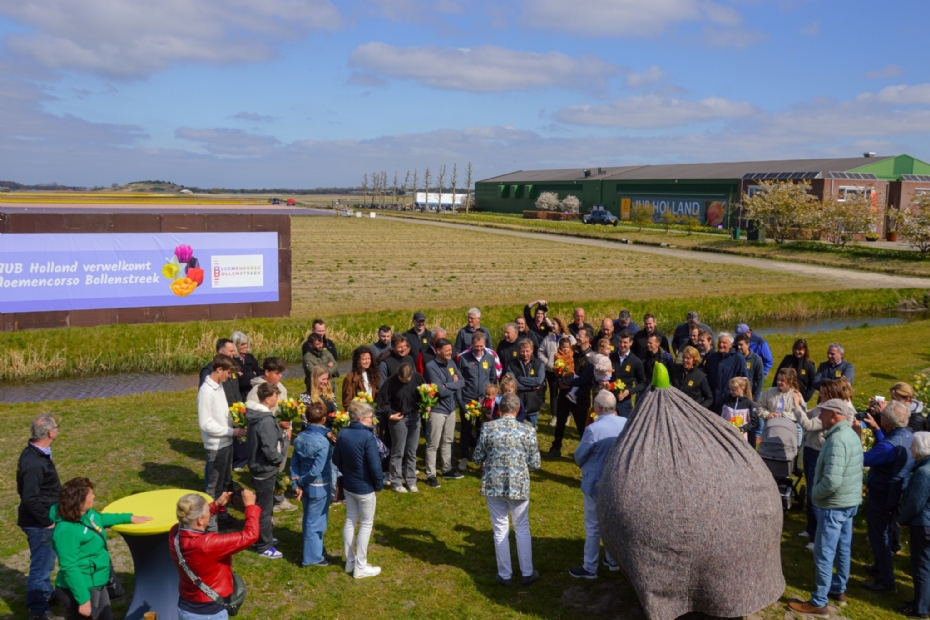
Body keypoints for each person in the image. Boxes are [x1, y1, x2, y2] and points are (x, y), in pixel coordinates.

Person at [787, 399, 863, 617]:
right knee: (843, 548)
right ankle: (839, 589)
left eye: (824, 413)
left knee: (824, 552)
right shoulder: (851, 434)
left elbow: (831, 481)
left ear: (835, 415)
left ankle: (819, 601)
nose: (819, 417)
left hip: (834, 504)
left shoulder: (837, 440)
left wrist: (815, 495)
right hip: (849, 502)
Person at [51, 478, 152, 620]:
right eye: (90, 494)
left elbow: (100, 519)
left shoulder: (85, 514)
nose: (93, 496)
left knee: (105, 616)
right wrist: (84, 600)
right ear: (79, 501)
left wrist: (129, 518)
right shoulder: (66, 532)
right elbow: (69, 567)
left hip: (97, 581)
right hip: (83, 588)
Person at [471, 393, 542, 587]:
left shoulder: (488, 428)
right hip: (518, 485)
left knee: (500, 529)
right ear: (518, 410)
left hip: (494, 485)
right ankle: (527, 572)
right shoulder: (527, 430)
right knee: (522, 528)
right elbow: (535, 463)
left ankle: (505, 575)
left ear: (500, 410)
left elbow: (477, 458)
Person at [169, 489, 259, 620]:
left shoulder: (174, 534)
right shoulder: (207, 545)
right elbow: (250, 535)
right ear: (200, 519)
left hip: (185, 608)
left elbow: (193, 518)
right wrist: (250, 506)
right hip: (209, 614)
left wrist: (216, 505)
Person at [570, 390, 626, 578]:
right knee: (612, 522)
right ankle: (612, 560)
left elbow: (579, 456)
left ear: (599, 407)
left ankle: (590, 567)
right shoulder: (625, 423)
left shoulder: (593, 429)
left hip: (595, 482)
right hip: (617, 482)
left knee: (593, 526)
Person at [859, 400, 914, 592]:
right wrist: (876, 430)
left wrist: (857, 435)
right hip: (897, 493)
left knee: (879, 535)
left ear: (888, 421)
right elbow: (888, 450)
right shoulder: (907, 436)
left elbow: (864, 459)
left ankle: (886, 580)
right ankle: (880, 567)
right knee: (886, 533)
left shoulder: (889, 445)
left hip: (882, 494)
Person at [795, 378, 856, 548]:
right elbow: (809, 414)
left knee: (814, 495)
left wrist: (795, 405)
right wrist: (801, 404)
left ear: (830, 394)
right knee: (810, 492)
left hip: (819, 452)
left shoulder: (834, 411)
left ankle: (817, 538)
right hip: (810, 449)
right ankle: (811, 528)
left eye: (822, 393)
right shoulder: (824, 407)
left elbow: (808, 424)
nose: (820, 396)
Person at [332, 402, 384, 579]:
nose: (373, 420)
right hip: (364, 487)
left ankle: (350, 561)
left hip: (349, 485)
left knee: (350, 520)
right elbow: (375, 465)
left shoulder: (343, 433)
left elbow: (335, 458)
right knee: (366, 524)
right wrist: (379, 484)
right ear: (361, 419)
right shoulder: (367, 437)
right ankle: (360, 566)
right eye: (370, 417)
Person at [17, 414, 61, 620]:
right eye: (57, 427)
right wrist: (47, 520)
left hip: (41, 518)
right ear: (50, 433)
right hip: (38, 523)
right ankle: (39, 611)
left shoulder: (37, 453)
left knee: (47, 560)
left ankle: (46, 595)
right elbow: (29, 497)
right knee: (41, 566)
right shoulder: (34, 462)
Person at [198, 354, 246, 532]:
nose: (229, 376)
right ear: (219, 370)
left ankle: (222, 517)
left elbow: (221, 414)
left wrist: (235, 421)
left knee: (225, 483)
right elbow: (206, 423)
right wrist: (230, 431)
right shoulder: (206, 391)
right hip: (216, 447)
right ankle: (210, 526)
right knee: (213, 489)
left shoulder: (218, 386)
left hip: (226, 443)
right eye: (228, 372)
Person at [247, 357, 296, 513]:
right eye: (277, 373)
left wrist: (289, 426)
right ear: (266, 372)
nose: (280, 376)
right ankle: (270, 501)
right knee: (270, 465)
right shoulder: (256, 392)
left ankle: (278, 497)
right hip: (268, 436)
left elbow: (287, 409)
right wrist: (277, 423)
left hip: (282, 434)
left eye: (281, 373)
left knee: (279, 468)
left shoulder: (280, 387)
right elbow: (256, 416)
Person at [246, 382, 287, 560]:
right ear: (268, 398)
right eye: (276, 396)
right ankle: (264, 546)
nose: (278, 399)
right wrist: (278, 461)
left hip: (258, 466)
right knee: (264, 508)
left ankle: (263, 536)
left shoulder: (256, 415)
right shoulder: (265, 421)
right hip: (264, 468)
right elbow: (269, 449)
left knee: (263, 505)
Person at [290, 402, 335, 567]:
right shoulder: (323, 443)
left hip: (305, 487)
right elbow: (317, 470)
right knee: (315, 522)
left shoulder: (300, 437)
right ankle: (312, 557)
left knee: (310, 518)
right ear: (323, 419)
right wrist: (301, 481)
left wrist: (297, 484)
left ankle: (316, 548)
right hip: (319, 486)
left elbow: (294, 463)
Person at [377, 363, 425, 493]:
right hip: (399, 418)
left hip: (414, 416)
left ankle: (411, 480)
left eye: (406, 380)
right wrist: (390, 415)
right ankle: (396, 482)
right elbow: (382, 401)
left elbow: (425, 392)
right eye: (401, 380)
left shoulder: (417, 378)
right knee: (398, 450)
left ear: (411, 375)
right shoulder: (391, 382)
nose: (403, 382)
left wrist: (427, 403)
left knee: (412, 450)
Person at [898, 431, 930, 619]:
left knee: (921, 567)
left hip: (924, 525)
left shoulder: (924, 472)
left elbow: (916, 503)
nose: (910, 448)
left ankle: (920, 609)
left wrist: (901, 520)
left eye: (913, 446)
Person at [424, 339, 465, 487]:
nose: (450, 352)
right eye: (447, 350)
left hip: (451, 409)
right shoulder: (431, 367)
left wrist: (447, 385)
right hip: (437, 410)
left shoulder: (452, 363)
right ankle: (431, 475)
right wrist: (451, 386)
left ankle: (446, 469)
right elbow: (439, 392)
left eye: (451, 350)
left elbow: (462, 381)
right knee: (433, 443)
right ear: (438, 351)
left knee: (448, 440)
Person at [457, 332, 498, 469]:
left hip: (484, 401)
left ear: (485, 344)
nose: (479, 348)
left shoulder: (490, 358)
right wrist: (461, 401)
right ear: (471, 345)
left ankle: (481, 458)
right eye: (476, 346)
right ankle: (464, 457)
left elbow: (493, 378)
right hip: (468, 400)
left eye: (481, 346)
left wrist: (490, 397)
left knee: (483, 430)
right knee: (466, 429)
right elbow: (459, 381)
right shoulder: (463, 358)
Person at [537, 317, 575, 426]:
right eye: (552, 324)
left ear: (560, 324)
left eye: (554, 324)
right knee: (553, 394)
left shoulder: (569, 338)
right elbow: (540, 352)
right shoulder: (548, 338)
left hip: (566, 373)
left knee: (566, 394)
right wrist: (548, 363)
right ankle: (555, 416)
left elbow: (574, 351)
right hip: (552, 371)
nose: (552, 325)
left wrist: (567, 364)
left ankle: (567, 416)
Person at [703, 332, 747, 412]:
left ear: (730, 345)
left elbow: (743, 380)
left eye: (724, 343)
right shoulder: (711, 358)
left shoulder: (738, 359)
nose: (721, 345)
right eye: (720, 342)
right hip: (713, 400)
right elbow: (705, 377)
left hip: (730, 401)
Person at [509, 339, 546, 428]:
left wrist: (520, 379)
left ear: (532, 350)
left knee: (532, 431)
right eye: (522, 351)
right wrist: (532, 387)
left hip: (533, 403)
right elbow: (513, 384)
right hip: (517, 404)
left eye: (527, 351)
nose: (525, 354)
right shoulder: (512, 364)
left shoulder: (539, 364)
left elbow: (539, 381)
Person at [776, 338, 817, 403]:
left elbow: (813, 383)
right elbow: (777, 374)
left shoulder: (809, 365)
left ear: (805, 350)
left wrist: (806, 398)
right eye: (795, 349)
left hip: (800, 398)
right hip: (783, 395)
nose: (797, 351)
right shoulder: (787, 359)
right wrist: (775, 390)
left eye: (800, 350)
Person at [719, 377, 759, 442]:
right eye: (730, 389)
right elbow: (721, 415)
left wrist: (742, 429)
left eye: (733, 390)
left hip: (740, 437)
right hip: (725, 434)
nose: (730, 392)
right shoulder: (726, 400)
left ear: (742, 389)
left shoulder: (749, 404)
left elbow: (753, 422)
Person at [342, 345, 381, 411]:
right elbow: (346, 402)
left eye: (369, 359)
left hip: (372, 410)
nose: (367, 361)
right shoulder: (350, 377)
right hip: (359, 413)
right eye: (364, 359)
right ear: (357, 360)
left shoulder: (372, 374)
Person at [734, 333, 765, 407]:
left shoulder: (756, 359)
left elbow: (760, 380)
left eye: (741, 345)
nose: (739, 347)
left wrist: (754, 399)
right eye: (738, 344)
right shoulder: (735, 357)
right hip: (736, 393)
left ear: (748, 345)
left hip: (751, 395)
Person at [230, 331, 261, 400]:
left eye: (246, 343)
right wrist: (252, 374)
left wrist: (245, 376)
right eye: (242, 344)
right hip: (239, 396)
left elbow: (260, 372)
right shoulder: (231, 360)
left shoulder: (250, 357)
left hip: (253, 393)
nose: (245, 346)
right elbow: (238, 382)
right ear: (235, 345)